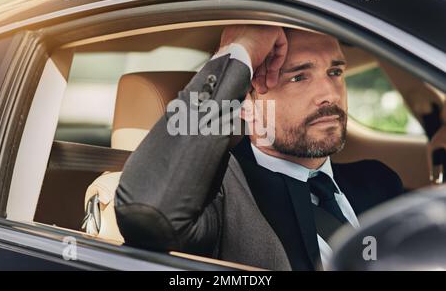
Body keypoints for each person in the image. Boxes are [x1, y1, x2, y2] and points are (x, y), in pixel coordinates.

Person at [114, 25, 404, 270]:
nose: (330, 94)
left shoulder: (378, 181)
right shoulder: (220, 197)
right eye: (298, 77)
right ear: (244, 104)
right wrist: (242, 49)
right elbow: (147, 213)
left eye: (335, 72)